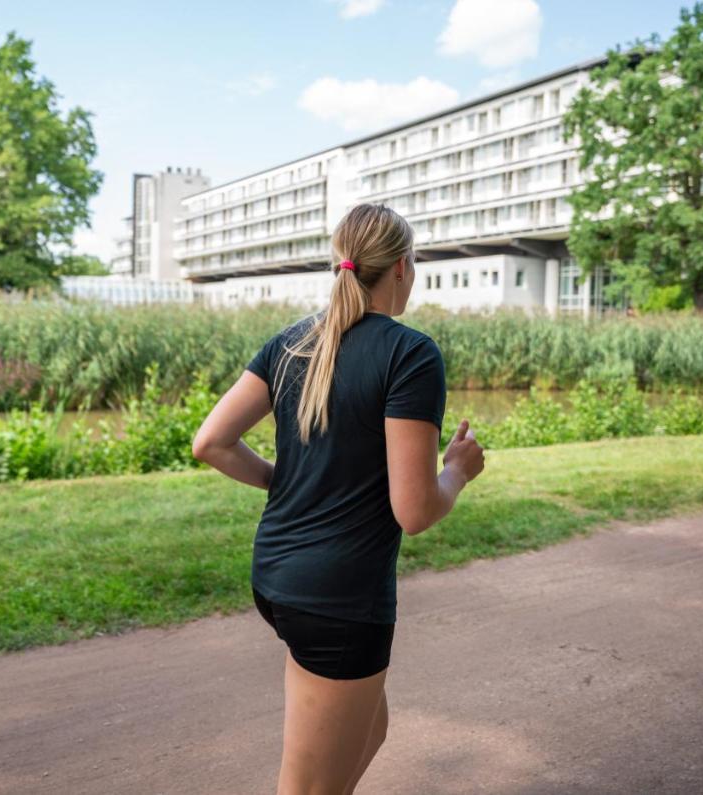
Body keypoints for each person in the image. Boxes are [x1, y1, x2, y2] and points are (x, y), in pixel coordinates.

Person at [192, 203, 485, 794]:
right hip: (340, 601)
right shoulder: (410, 354)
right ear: (402, 266)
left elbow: (211, 442)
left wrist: (290, 480)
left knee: (370, 730)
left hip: (277, 579)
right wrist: (456, 471)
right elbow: (416, 510)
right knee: (305, 788)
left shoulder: (293, 341)